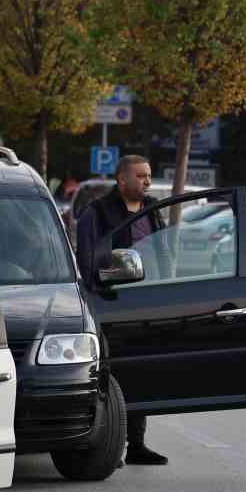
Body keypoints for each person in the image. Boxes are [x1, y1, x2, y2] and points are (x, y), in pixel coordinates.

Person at [75, 154, 168, 466]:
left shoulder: (153, 212)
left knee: (144, 373)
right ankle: (108, 443)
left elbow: (163, 254)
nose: (147, 182)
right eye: (141, 176)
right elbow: (88, 261)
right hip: (112, 306)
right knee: (110, 377)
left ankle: (137, 444)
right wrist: (100, 295)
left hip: (147, 305)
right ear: (122, 179)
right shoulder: (97, 212)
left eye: (149, 175)